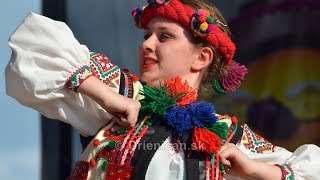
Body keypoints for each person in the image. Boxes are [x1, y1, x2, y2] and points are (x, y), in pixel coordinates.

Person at [5, 0, 320, 179]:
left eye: (164, 36)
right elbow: (37, 44)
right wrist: (107, 96)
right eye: (146, 36)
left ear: (202, 57)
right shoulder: (121, 95)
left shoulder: (230, 138)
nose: (147, 45)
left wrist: (256, 171)